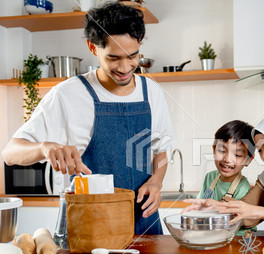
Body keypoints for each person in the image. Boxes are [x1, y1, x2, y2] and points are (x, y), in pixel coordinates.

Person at [2, 2, 177, 235]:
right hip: (89, 229)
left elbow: (161, 151)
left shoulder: (151, 91)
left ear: (140, 44)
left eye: (132, 56)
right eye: (114, 58)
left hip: (144, 227)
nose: (125, 68)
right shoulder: (68, 94)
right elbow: (10, 154)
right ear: (92, 47)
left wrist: (156, 182)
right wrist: (44, 148)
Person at [197, 120, 255, 201]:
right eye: (221, 151)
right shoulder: (210, 177)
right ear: (214, 150)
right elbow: (199, 203)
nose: (227, 159)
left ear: (248, 160)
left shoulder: (243, 189)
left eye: (237, 155)